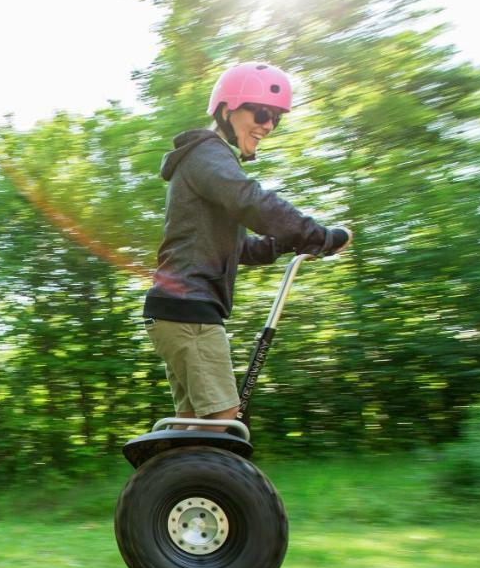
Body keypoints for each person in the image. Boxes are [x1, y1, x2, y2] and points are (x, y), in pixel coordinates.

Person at [144, 62, 351, 426]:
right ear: (227, 110)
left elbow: (241, 248)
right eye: (260, 112)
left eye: (276, 119)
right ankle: (192, 483)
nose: (268, 125)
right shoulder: (208, 154)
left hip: (177, 310)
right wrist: (319, 236)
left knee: (193, 427)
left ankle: (171, 483)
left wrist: (291, 244)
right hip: (189, 309)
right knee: (224, 423)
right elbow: (252, 202)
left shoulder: (207, 162)